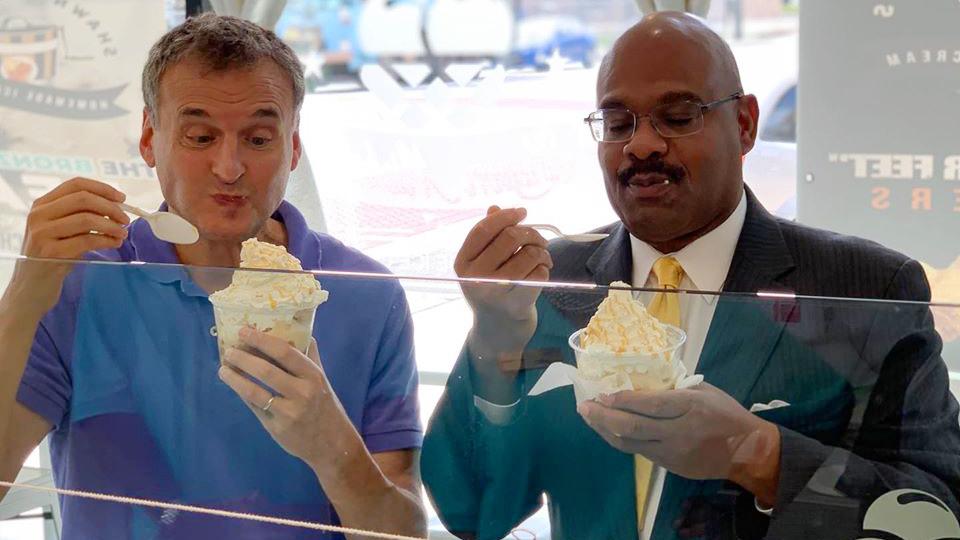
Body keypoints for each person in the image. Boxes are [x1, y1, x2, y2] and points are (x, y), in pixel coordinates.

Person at [421, 12, 960, 540]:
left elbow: (938, 507)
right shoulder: (548, 285)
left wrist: (760, 455)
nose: (641, 145)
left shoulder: (863, 290)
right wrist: (494, 343)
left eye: (678, 117)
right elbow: (473, 514)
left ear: (745, 125)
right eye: (616, 123)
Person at [0, 13, 425, 539]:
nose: (229, 167)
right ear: (150, 139)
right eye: (200, 137)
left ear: (293, 147)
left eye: (259, 138)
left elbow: (404, 531)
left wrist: (330, 445)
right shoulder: (79, 284)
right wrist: (23, 293)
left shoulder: (366, 294)